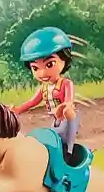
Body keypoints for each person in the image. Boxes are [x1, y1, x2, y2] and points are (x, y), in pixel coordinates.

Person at [12, 26, 80, 156]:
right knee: (53, 139)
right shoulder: (44, 88)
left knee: (66, 142)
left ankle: (69, 155)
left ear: (64, 60)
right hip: (56, 119)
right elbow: (32, 102)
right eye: (35, 68)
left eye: (50, 64)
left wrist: (65, 107)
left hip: (68, 118)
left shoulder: (66, 84)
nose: (42, 73)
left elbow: (69, 101)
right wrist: (18, 109)